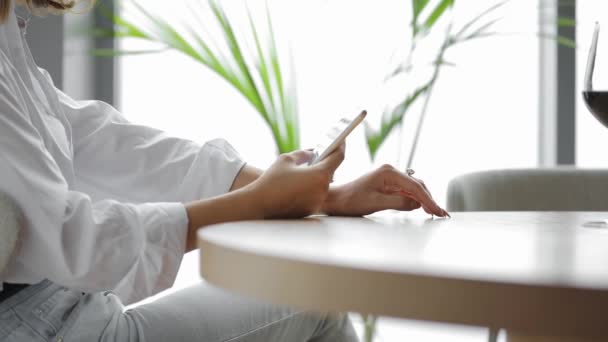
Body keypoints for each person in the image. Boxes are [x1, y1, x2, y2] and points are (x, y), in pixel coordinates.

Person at [0, 0, 449, 341]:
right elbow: (72, 241)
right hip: (39, 324)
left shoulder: (8, 35)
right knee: (318, 307)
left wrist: (323, 196)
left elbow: (98, 138)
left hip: (52, 311)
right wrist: (255, 204)